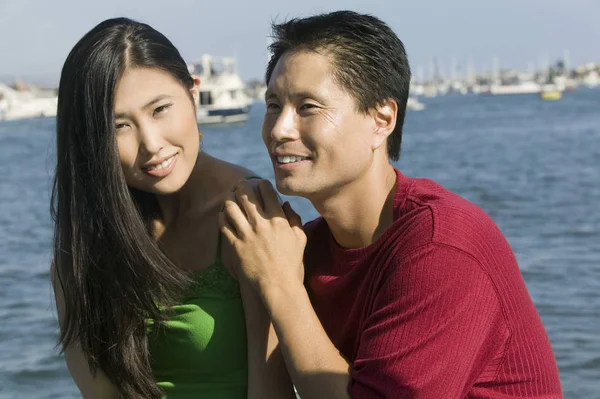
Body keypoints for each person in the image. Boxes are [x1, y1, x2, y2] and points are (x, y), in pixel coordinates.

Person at [219, 10, 563, 399]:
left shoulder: (442, 247)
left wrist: (278, 284)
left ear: (382, 120)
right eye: (273, 105)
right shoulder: (297, 248)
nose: (279, 129)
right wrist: (262, 283)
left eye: (308, 107)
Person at [50, 18, 294, 399]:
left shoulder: (248, 213)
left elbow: (271, 388)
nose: (151, 144)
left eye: (160, 109)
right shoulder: (81, 253)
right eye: (119, 126)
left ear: (193, 95)